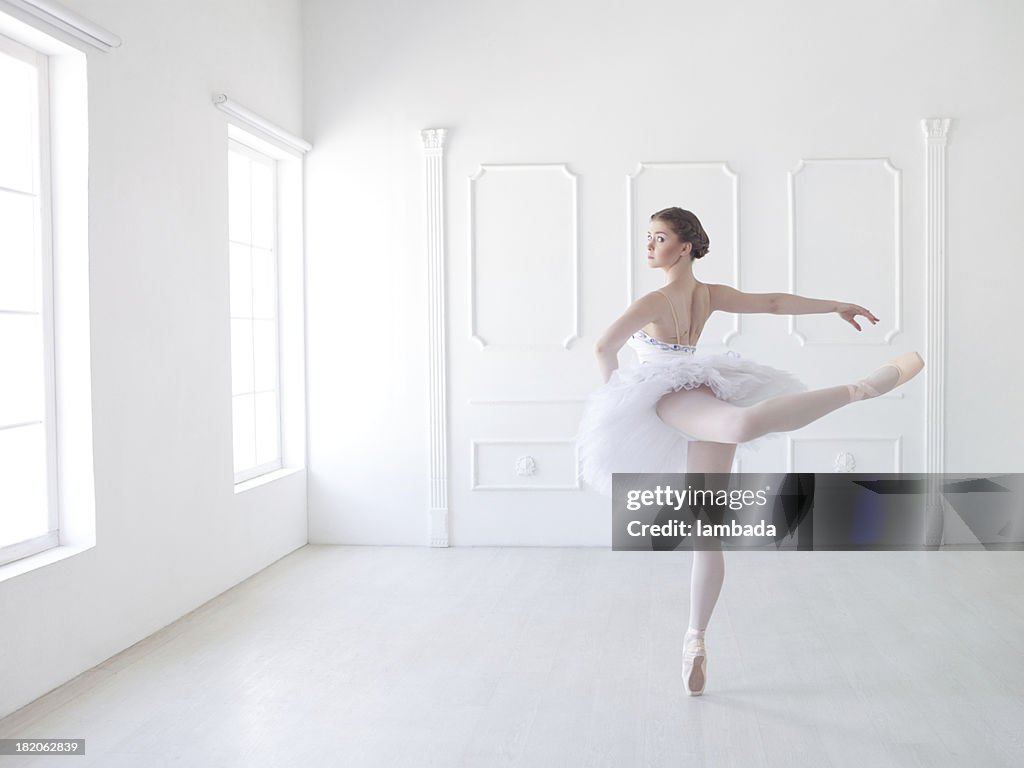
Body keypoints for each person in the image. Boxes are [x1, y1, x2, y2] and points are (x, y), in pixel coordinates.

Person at [576, 207, 924, 696]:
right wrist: (836, 306)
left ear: (685, 247)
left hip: (675, 393)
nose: (649, 246)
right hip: (683, 394)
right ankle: (860, 390)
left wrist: (617, 399)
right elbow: (776, 303)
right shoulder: (707, 294)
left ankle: (695, 639)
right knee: (733, 430)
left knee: (708, 527)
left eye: (659, 238)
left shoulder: (656, 299)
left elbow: (603, 348)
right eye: (648, 238)